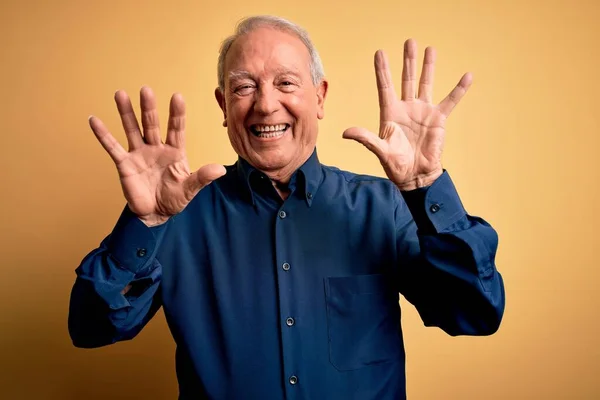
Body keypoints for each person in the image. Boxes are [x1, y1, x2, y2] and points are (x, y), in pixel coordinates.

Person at [68, 15, 505, 400]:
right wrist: (146, 223)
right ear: (223, 106)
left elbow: (475, 312)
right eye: (244, 87)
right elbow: (91, 327)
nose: (265, 103)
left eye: (286, 82)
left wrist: (425, 186)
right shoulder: (176, 217)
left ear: (319, 97)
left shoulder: (384, 206)